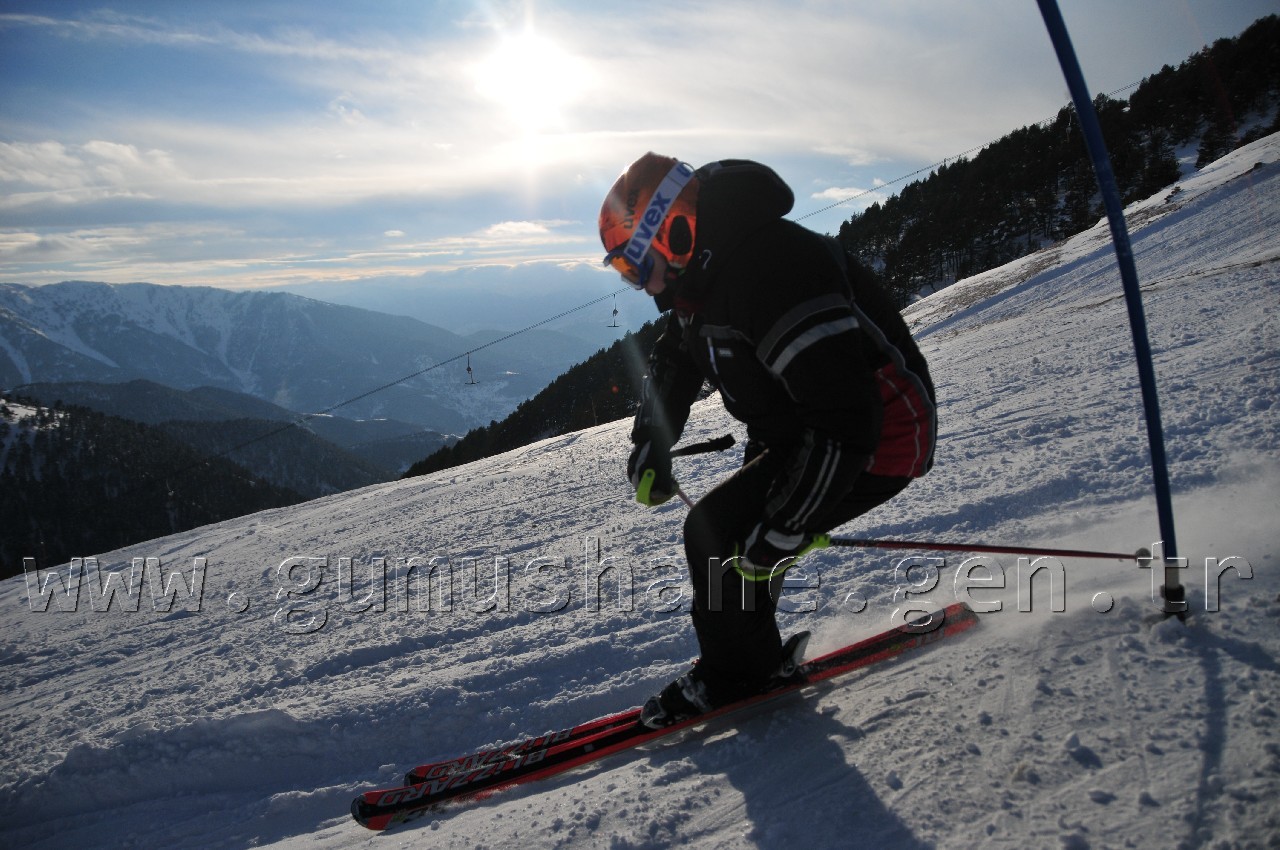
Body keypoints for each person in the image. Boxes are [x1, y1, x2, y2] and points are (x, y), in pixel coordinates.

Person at [598, 153, 937, 729]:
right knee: (742, 540)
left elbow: (847, 419)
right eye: (627, 273)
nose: (639, 284)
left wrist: (792, 521)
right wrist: (652, 439)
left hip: (882, 432)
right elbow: (678, 354)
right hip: (799, 426)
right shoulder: (699, 274)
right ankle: (749, 659)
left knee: (717, 532)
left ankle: (738, 673)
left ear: (677, 231)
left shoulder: (775, 271)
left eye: (639, 267)